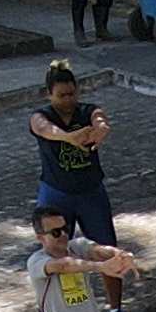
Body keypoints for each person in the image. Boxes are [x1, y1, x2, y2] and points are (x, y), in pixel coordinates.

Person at [29, 57, 119, 241]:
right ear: (49, 94)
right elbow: (42, 128)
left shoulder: (87, 111)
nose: (68, 100)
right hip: (56, 193)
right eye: (61, 95)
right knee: (55, 251)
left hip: (91, 192)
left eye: (72, 93)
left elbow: (99, 117)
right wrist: (67, 137)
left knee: (108, 250)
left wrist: (101, 128)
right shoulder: (42, 116)